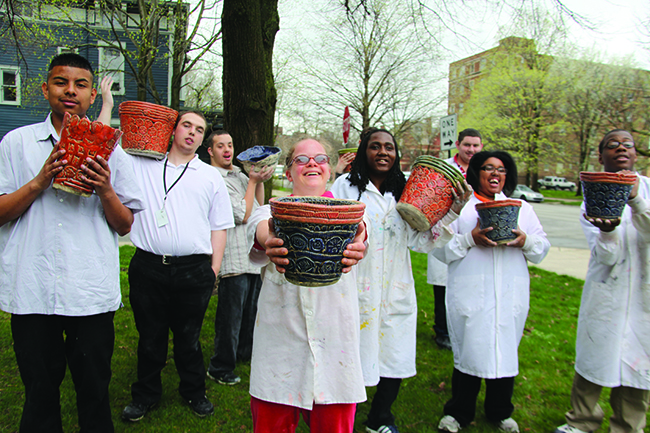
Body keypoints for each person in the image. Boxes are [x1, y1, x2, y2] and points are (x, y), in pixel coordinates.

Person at [0, 53, 144, 432]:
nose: (70, 91)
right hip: (32, 290)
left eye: (80, 84)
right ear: (45, 88)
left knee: (94, 392)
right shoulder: (17, 143)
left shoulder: (112, 149)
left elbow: (125, 224)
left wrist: (105, 188)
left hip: (89, 292)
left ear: (93, 94)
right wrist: (39, 181)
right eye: (61, 82)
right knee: (39, 393)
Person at [331, 128, 471, 433]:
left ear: (397, 155)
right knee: (349, 351)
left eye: (389, 148)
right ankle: (343, 418)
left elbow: (419, 241)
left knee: (393, 353)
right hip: (355, 283)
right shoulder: (344, 186)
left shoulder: (406, 190)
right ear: (363, 152)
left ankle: (381, 418)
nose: (383, 152)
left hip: (396, 286)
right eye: (375, 147)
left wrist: (452, 212)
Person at [247, 138, 367, 433]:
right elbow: (263, 230)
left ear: (330, 171)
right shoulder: (269, 213)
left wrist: (360, 242)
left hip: (335, 343)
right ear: (288, 173)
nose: (312, 163)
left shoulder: (353, 216)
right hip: (280, 344)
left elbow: (361, 237)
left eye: (320, 159)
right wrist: (271, 242)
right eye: (301, 159)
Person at [121, 110, 234, 421]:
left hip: (194, 269)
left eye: (199, 130)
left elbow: (220, 226)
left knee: (188, 337)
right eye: (187, 125)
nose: (192, 133)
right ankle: (145, 395)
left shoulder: (210, 175)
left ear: (202, 139)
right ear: (172, 130)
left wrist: (213, 270)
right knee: (150, 337)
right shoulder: (142, 164)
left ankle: (194, 392)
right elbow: (112, 147)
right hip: (148, 267)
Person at [434, 150, 550, 433]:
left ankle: (500, 411)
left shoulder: (521, 208)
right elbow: (438, 250)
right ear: (476, 173)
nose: (495, 174)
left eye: (501, 169)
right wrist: (469, 239)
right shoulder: (461, 208)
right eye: (488, 168)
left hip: (509, 291)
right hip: (472, 291)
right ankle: (458, 413)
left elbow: (542, 248)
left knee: (504, 349)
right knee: (470, 352)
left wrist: (525, 241)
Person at [554, 129, 650, 433]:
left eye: (627, 145)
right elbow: (606, 256)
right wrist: (608, 231)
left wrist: (636, 200)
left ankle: (628, 426)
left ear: (636, 153)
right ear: (601, 156)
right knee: (595, 355)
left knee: (640, 362)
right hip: (607, 291)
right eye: (612, 145)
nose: (620, 149)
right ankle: (581, 422)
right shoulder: (592, 196)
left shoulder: (648, 189)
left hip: (643, 295)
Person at [205, 130, 273, 386]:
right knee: (230, 317)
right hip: (232, 257)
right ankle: (220, 366)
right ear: (210, 151)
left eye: (230, 145)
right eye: (220, 146)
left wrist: (258, 179)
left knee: (250, 312)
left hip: (251, 256)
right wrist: (253, 182)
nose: (227, 150)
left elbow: (258, 207)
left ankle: (243, 354)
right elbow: (241, 215)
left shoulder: (239, 174)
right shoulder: (214, 178)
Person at [428, 128, 484, 350]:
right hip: (447, 224)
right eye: (467, 145)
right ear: (458, 144)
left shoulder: (482, 168)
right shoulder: (446, 168)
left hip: (473, 227)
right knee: (443, 282)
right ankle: (442, 331)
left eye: (476, 145)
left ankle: (465, 327)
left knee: (468, 281)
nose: (471, 149)